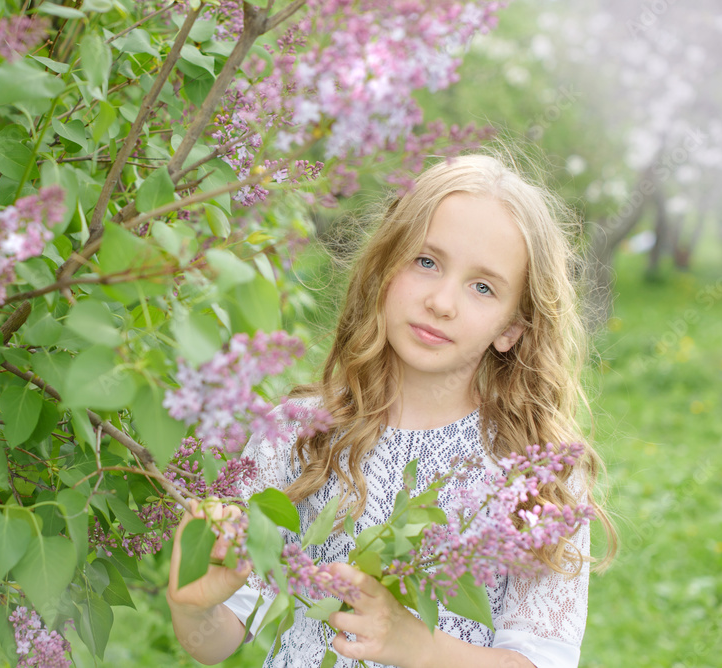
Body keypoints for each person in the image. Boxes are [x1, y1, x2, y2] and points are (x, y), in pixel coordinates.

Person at [166, 154, 617, 668]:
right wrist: (192, 601)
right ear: (385, 267)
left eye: (483, 286)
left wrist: (416, 646)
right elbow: (216, 644)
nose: (442, 302)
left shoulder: (536, 473)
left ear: (512, 327)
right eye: (426, 262)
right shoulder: (298, 431)